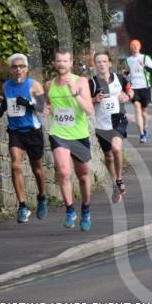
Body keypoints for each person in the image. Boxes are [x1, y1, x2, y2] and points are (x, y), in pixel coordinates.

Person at [0, 53, 47, 223]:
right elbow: (7, 101)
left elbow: (42, 108)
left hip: (32, 131)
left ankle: (42, 197)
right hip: (15, 131)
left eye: (21, 67)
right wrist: (1, 110)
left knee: (37, 170)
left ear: (26, 68)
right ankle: (22, 206)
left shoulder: (34, 86)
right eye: (15, 67)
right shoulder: (6, 86)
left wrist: (29, 104)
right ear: (10, 69)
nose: (18, 70)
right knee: (15, 165)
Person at [44, 48, 94, 231]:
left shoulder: (81, 82)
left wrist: (75, 94)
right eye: (59, 61)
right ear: (54, 63)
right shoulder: (49, 85)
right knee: (64, 172)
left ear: (71, 63)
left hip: (79, 135)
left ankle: (86, 210)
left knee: (83, 175)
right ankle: (70, 210)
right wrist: (47, 109)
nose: (62, 64)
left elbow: (89, 110)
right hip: (59, 133)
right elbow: (48, 103)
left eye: (65, 61)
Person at [89, 51, 132, 203]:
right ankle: (114, 182)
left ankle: (119, 179)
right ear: (95, 65)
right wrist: (95, 99)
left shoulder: (120, 78)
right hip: (101, 124)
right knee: (108, 155)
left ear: (109, 63)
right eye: (98, 62)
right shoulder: (92, 83)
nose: (101, 64)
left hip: (118, 119)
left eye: (104, 61)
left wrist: (126, 96)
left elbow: (130, 91)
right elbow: (86, 102)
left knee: (116, 149)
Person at [126, 39, 152, 144]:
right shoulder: (128, 60)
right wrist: (126, 76)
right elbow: (127, 73)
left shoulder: (145, 58)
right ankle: (142, 134)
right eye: (132, 45)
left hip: (145, 87)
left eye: (136, 45)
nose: (134, 47)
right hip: (134, 89)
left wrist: (145, 67)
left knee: (144, 112)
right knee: (137, 110)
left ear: (140, 46)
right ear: (130, 47)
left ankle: (145, 127)